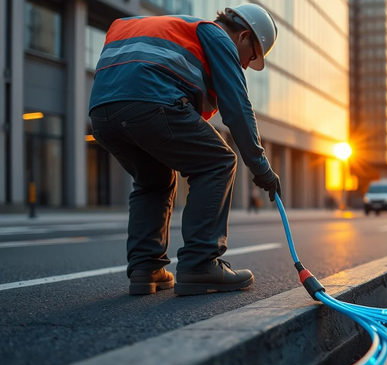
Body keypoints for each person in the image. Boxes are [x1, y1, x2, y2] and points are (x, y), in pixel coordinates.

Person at [88, 4, 283, 295]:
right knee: (218, 161)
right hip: (151, 103)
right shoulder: (215, 35)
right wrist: (262, 169)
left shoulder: (165, 28)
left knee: (153, 180)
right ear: (243, 36)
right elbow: (238, 109)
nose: (244, 66)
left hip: (102, 115)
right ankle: (200, 264)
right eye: (251, 57)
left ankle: (146, 268)